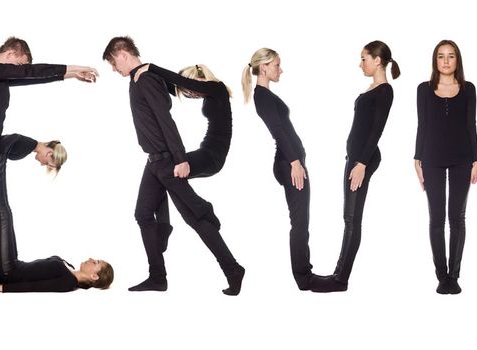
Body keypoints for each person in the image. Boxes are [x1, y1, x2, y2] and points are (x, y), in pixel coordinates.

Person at [102, 36, 244, 295]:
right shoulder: (141, 79)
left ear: (122, 54)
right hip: (156, 159)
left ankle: (230, 265)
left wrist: (180, 158)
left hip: (175, 157)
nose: (114, 69)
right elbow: (175, 88)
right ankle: (158, 273)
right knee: (144, 214)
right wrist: (148, 71)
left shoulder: (149, 80)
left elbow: (165, 119)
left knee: (194, 216)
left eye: (113, 63)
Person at [0, 37, 98, 288]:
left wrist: (69, 77)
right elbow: (31, 72)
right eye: (20, 64)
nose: (20, 70)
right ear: (13, 53)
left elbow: (31, 76)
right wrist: (73, 68)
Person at [0, 134, 113, 294]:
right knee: (4, 212)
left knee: (3, 211)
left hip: (7, 272)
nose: (92, 259)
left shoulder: (68, 282)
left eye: (96, 262)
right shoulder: (70, 270)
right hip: (13, 264)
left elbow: (34, 287)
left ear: (94, 276)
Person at [310, 40, 399, 293]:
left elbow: (376, 130)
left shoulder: (384, 91)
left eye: (364, 59)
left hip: (363, 159)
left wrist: (361, 163)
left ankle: (340, 279)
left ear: (377, 60)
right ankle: (338, 273)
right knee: (348, 217)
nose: (361, 64)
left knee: (352, 218)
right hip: (356, 157)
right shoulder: (372, 88)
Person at [245, 48, 319, 290]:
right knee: (300, 223)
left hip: (290, 162)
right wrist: (295, 163)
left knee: (302, 221)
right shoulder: (262, 96)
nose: (281, 70)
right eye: (277, 65)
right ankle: (303, 277)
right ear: (264, 67)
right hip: (289, 164)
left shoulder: (266, 95)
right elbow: (278, 131)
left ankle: (304, 273)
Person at [144, 63, 234, 253]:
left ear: (199, 78)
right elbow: (174, 85)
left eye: (191, 91)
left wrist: (150, 67)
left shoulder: (217, 88)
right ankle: (165, 226)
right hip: (207, 152)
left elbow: (180, 82)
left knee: (165, 168)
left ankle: (204, 209)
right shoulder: (209, 92)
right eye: (187, 94)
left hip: (212, 157)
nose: (191, 95)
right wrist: (148, 78)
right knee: (161, 172)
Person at [413, 40, 477, 294]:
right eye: (441, 57)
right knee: (436, 218)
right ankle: (441, 275)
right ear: (435, 61)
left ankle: (455, 274)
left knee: (457, 218)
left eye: (451, 56)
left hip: (463, 158)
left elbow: (471, 124)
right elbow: (422, 125)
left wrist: (476, 159)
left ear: (457, 60)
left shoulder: (469, 88)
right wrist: (417, 158)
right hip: (431, 158)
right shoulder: (423, 89)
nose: (446, 61)